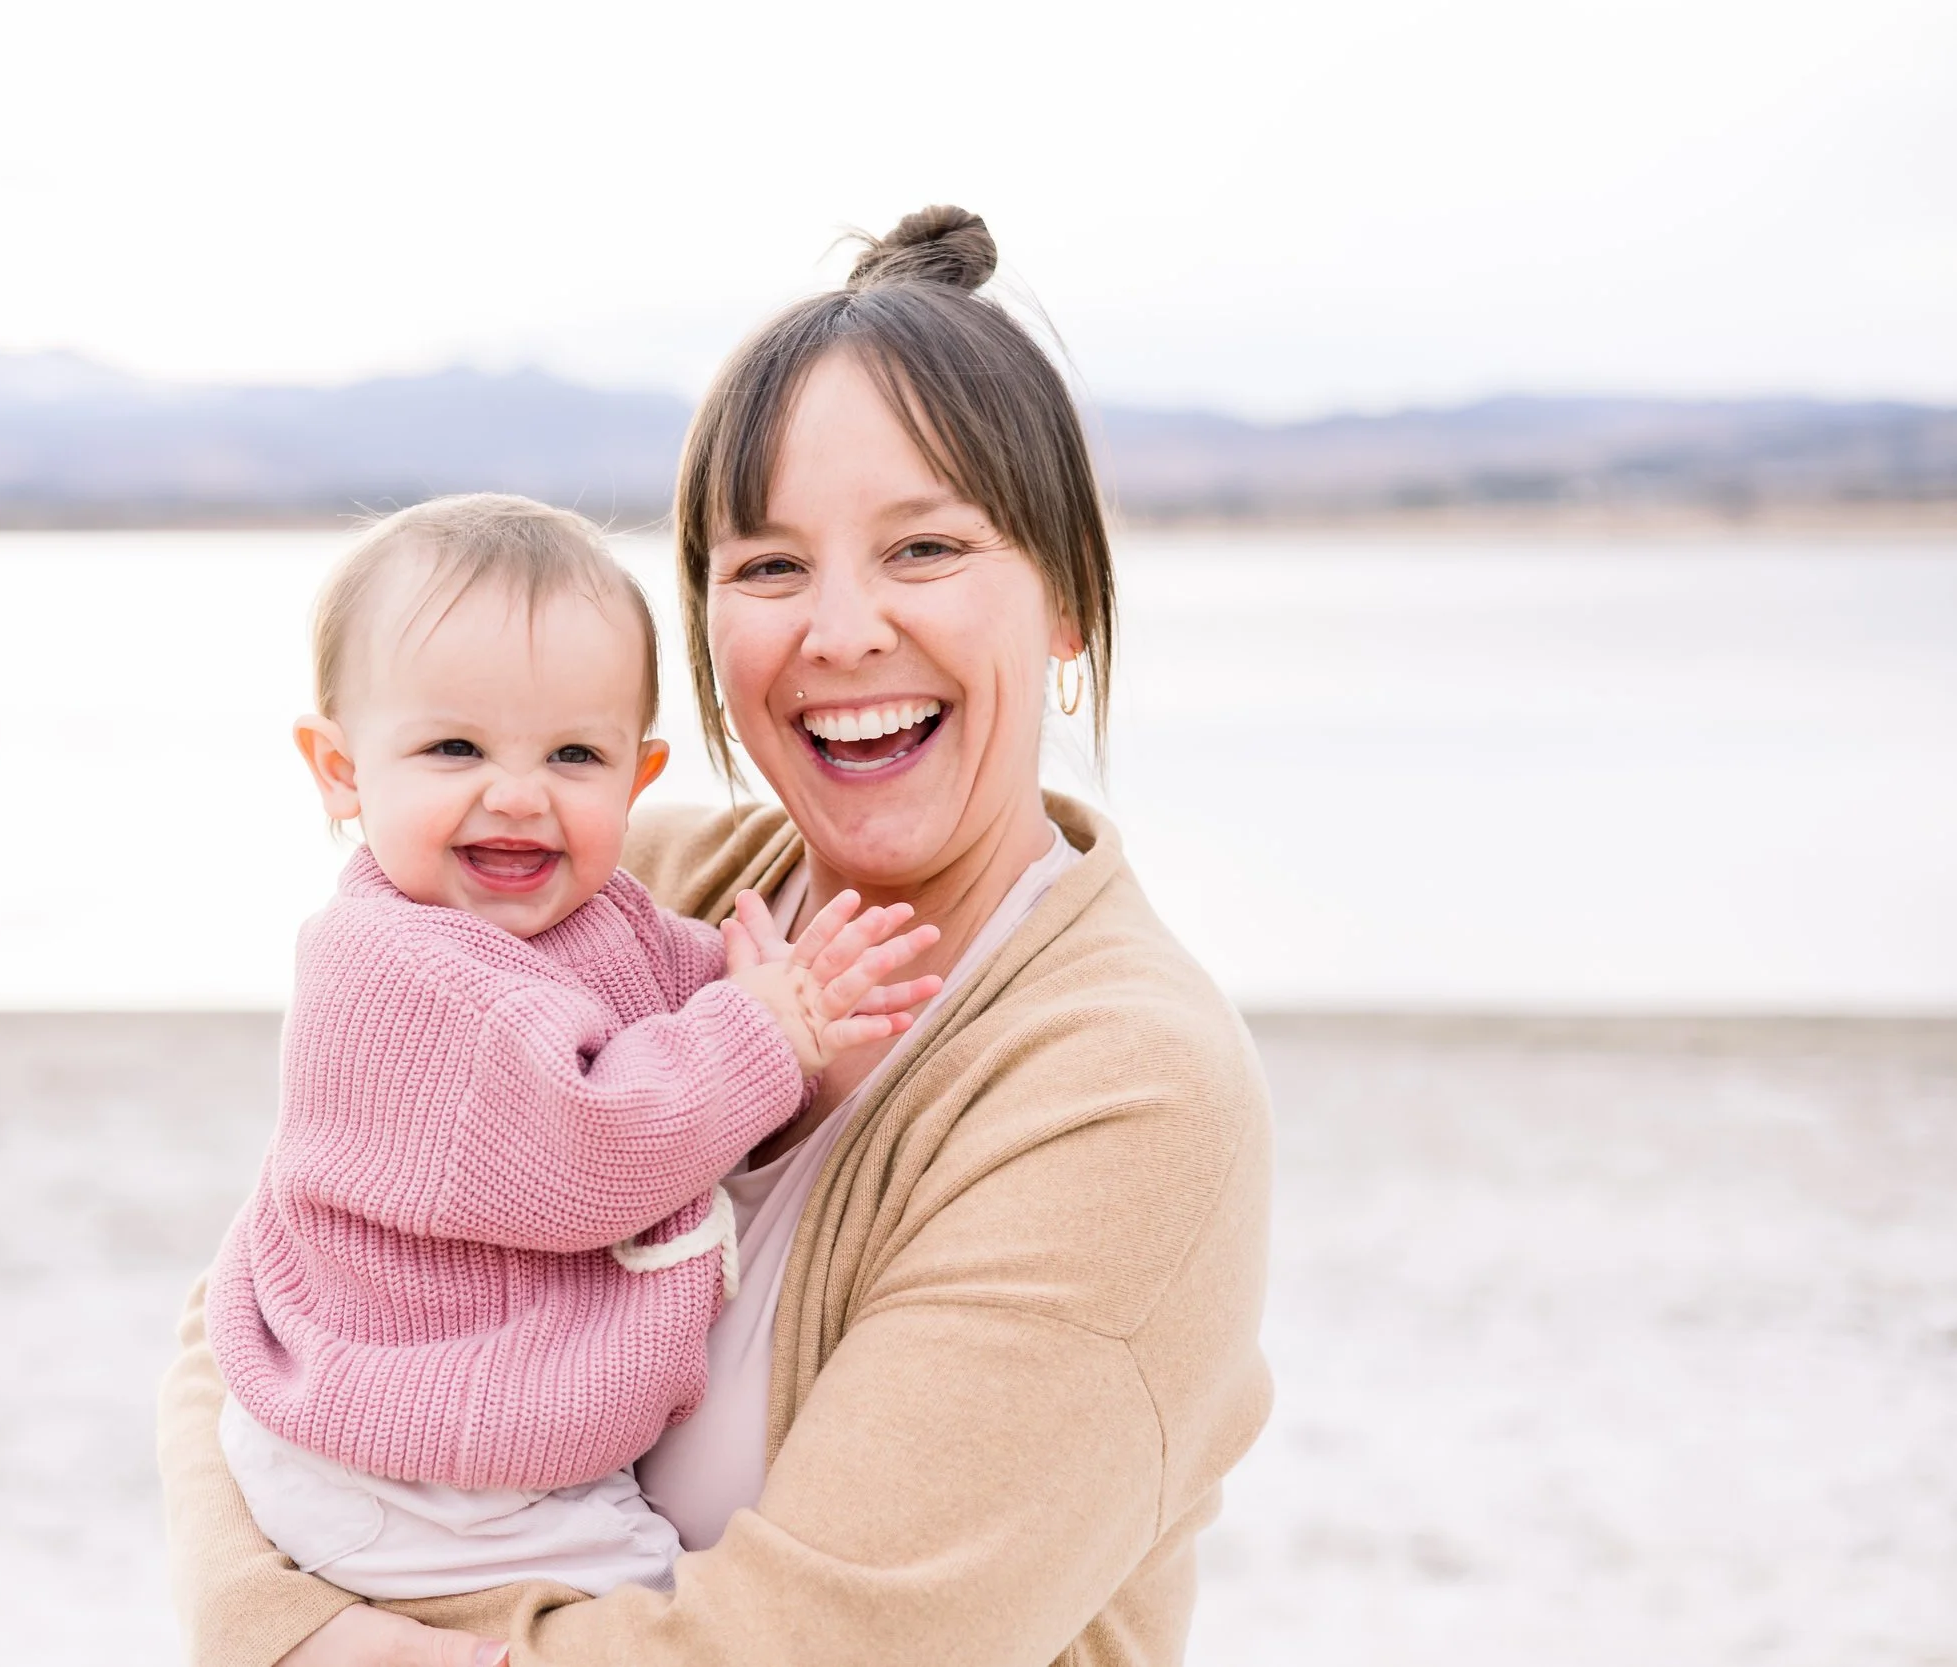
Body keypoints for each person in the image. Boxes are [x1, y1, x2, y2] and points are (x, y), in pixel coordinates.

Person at [158, 205, 1275, 1667]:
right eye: (767, 567)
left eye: (925, 546)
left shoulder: (1126, 1090)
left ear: (1066, 595)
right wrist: (284, 1627)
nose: (842, 629)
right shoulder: (631, 890)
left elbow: (825, 1642)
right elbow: (254, 1303)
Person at [209, 493, 942, 1602]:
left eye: (572, 754)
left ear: (635, 778)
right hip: (412, 1466)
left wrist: (747, 982)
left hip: (470, 1455)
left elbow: (658, 979)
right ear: (341, 769)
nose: (517, 793)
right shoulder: (393, 968)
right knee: (641, 1601)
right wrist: (765, 1024)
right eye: (453, 746)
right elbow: (595, 1137)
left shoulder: (581, 910)